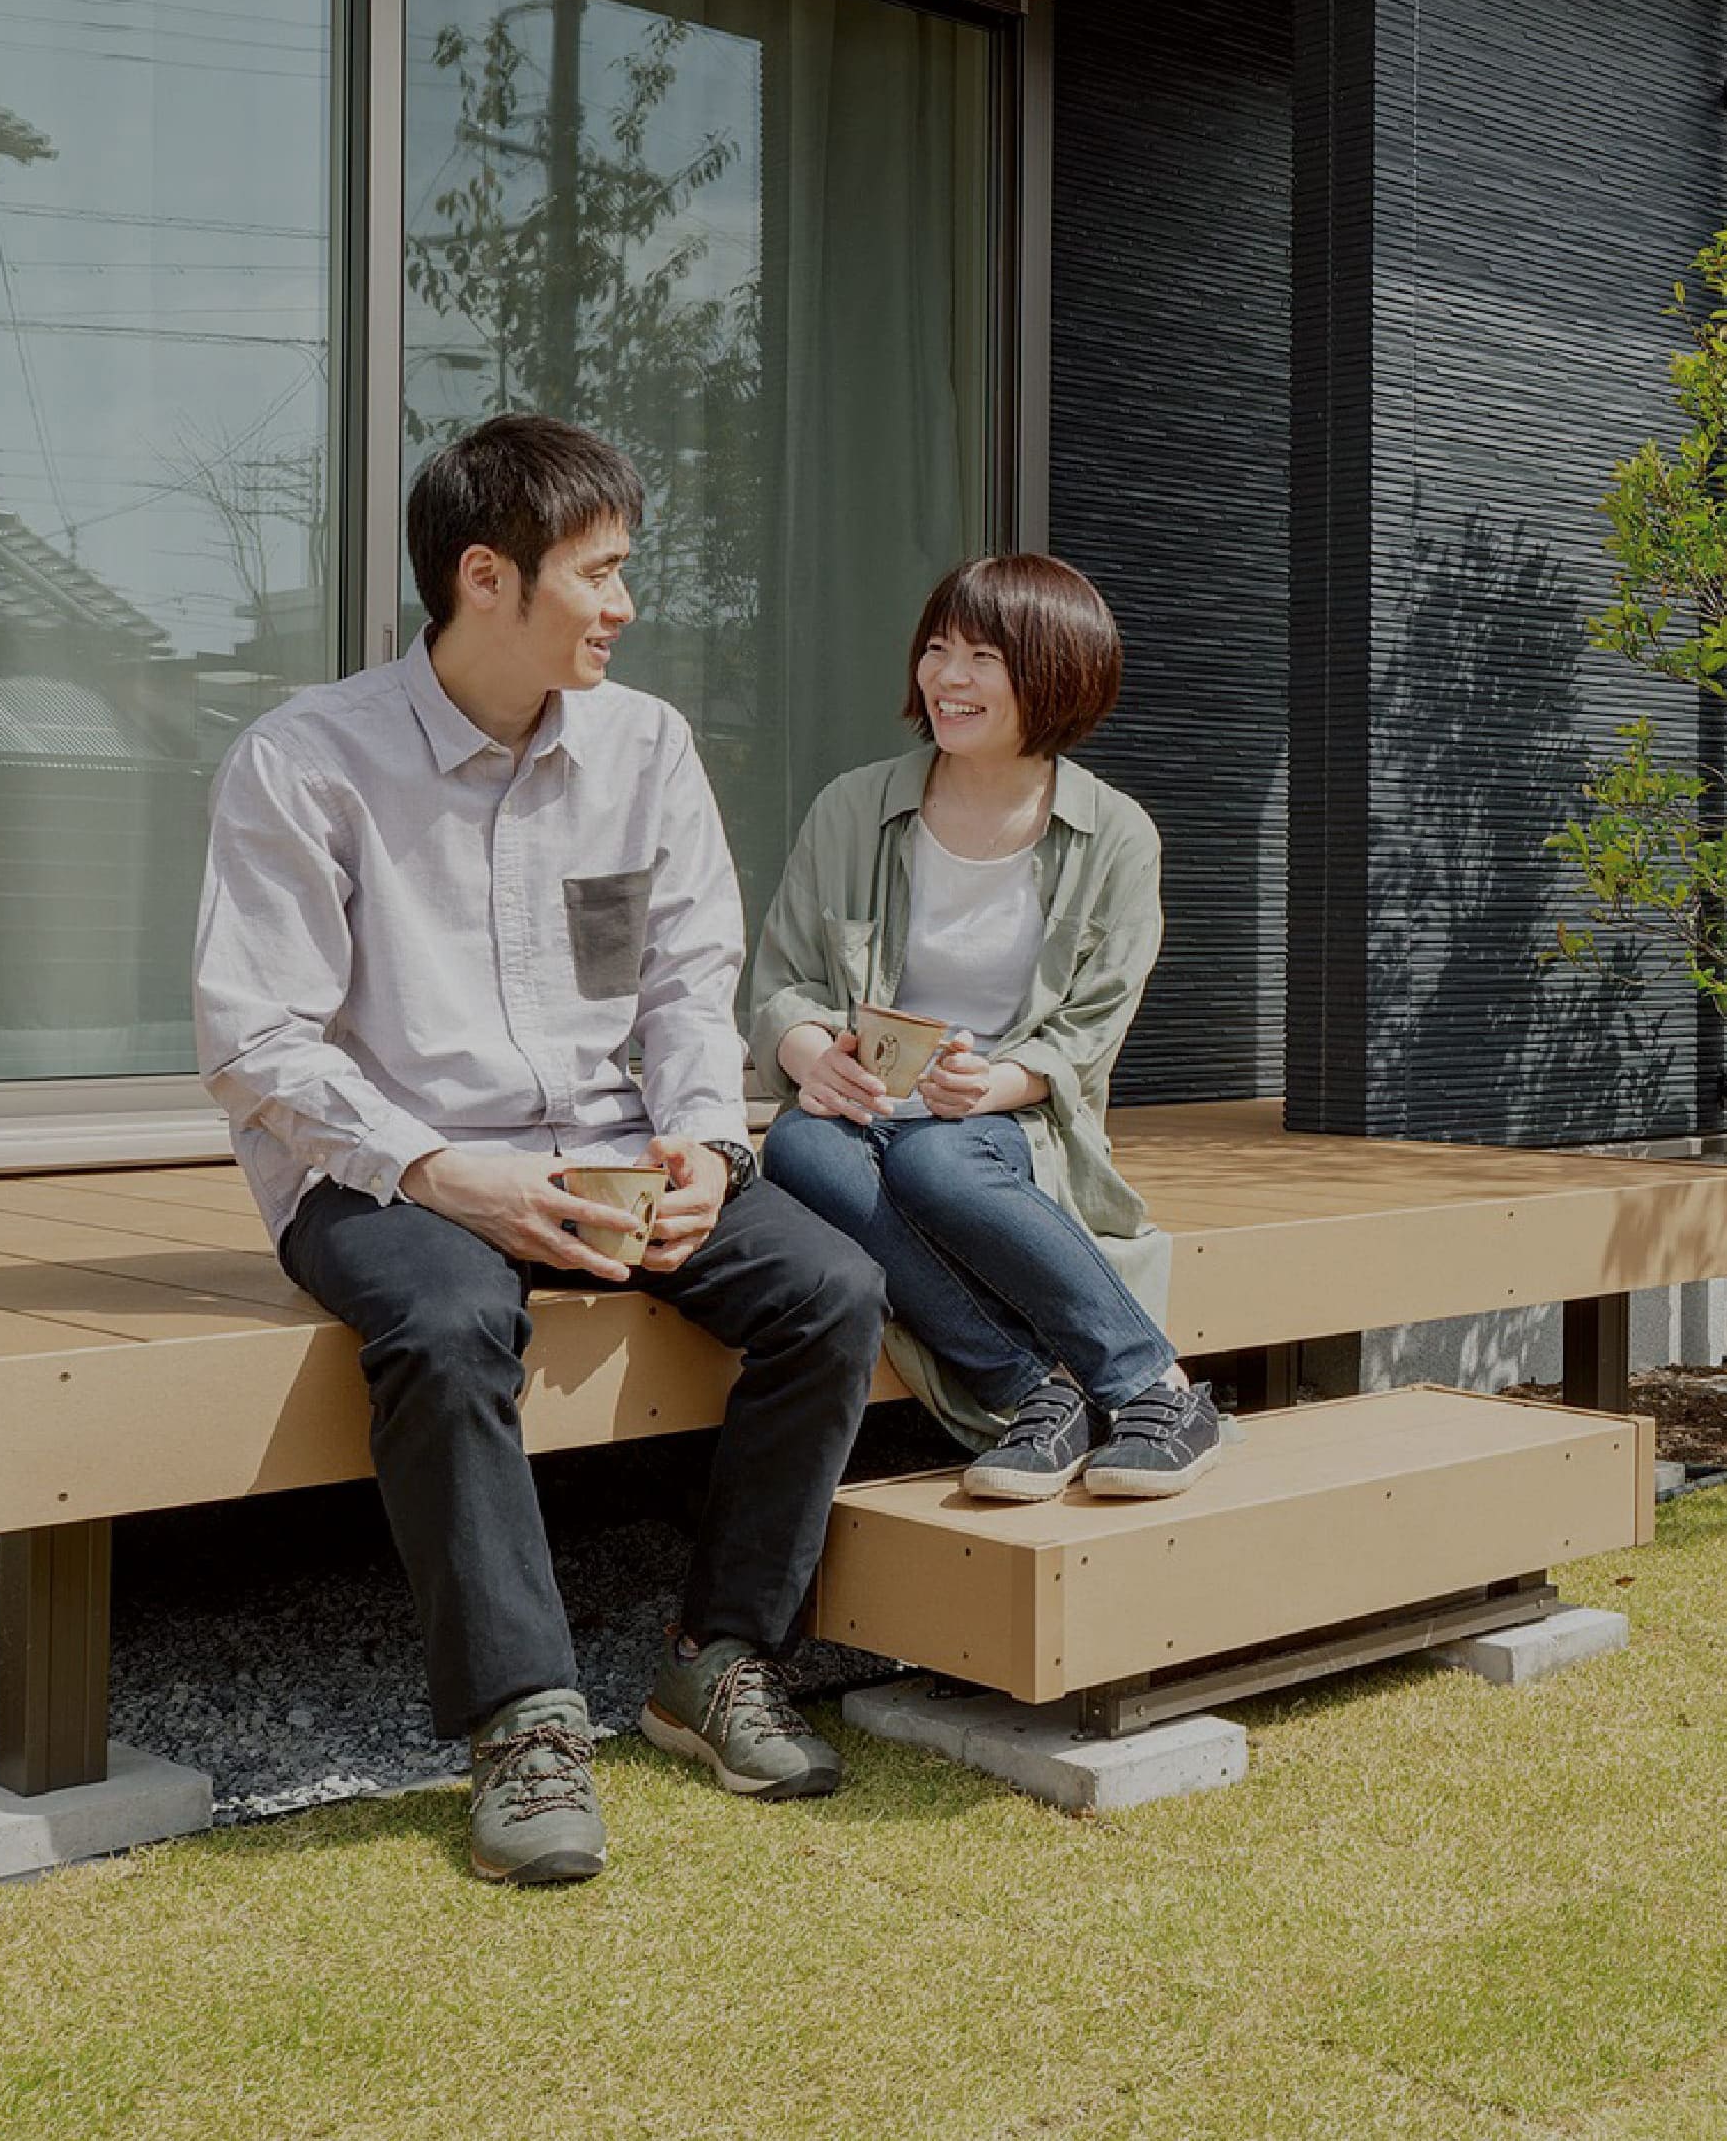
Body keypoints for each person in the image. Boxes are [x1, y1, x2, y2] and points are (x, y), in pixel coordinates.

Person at [192, 413, 885, 1888]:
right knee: (450, 1320)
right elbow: (257, 1042)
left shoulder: (646, 746)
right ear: (488, 576)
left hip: (611, 1146)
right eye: (603, 570)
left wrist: (707, 1137)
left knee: (831, 1290)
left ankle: (719, 1657)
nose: (628, 605)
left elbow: (686, 977)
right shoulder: (303, 762)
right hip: (380, 1165)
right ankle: (523, 1720)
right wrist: (446, 1174)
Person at [750, 553, 1222, 1507]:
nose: (946, 679)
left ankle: (1153, 1384)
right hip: (865, 1108)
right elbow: (783, 983)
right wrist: (811, 1056)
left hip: (1011, 1122)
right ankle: (1035, 1393)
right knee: (801, 1146)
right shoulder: (852, 807)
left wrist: (992, 1085)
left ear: (1054, 673)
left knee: (940, 1160)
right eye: (935, 649)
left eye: (981, 657)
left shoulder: (1116, 834)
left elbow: (1089, 1031)